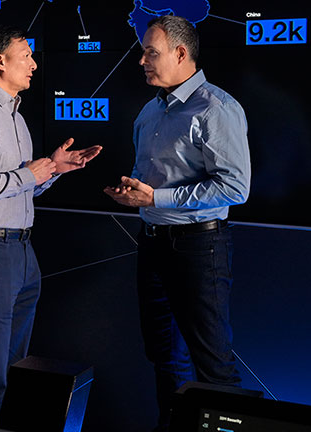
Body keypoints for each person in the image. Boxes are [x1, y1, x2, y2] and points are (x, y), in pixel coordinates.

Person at [0, 25, 101, 426]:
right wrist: (29, 175)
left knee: (12, 365)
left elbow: (17, 188)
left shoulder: (15, 116)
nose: (34, 63)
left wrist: (52, 171)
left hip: (20, 251)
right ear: (0, 62)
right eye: (25, 55)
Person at [104, 15, 251, 432]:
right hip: (152, 243)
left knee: (214, 364)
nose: (142, 61)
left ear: (181, 53)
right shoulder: (150, 112)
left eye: (151, 52)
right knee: (165, 355)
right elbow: (153, 179)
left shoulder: (216, 108)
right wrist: (133, 194)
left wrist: (158, 197)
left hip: (199, 249)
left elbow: (235, 188)